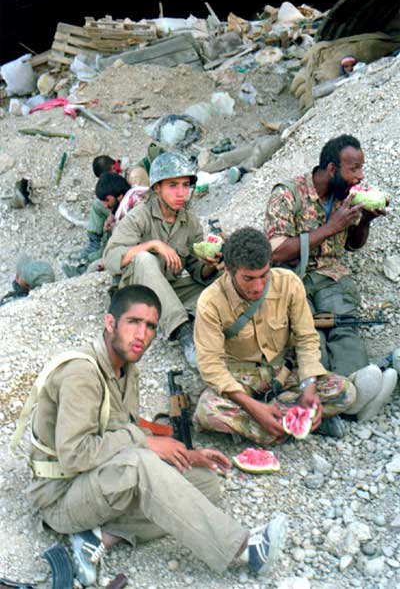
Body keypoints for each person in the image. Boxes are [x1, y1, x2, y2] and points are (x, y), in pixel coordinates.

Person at [24, 285, 288, 586]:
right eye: (133, 322)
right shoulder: (81, 374)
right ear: (110, 323)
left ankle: (100, 536)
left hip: (95, 481)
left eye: (150, 326)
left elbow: (120, 427)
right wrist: (145, 442)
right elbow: (74, 456)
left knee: (205, 483)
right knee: (140, 463)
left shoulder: (127, 369)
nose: (142, 334)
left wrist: (186, 455)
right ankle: (244, 549)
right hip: (60, 496)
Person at [192, 227, 385, 443]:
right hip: (240, 378)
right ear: (228, 270)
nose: (258, 286)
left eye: (264, 275)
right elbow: (210, 365)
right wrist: (253, 407)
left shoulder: (289, 283)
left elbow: (306, 338)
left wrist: (309, 387)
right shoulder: (210, 302)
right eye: (248, 278)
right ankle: (288, 423)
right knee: (207, 411)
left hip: (283, 372)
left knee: (345, 391)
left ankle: (268, 426)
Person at [264, 134, 386, 377]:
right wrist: (330, 227)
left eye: (361, 168)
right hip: (292, 278)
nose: (360, 176)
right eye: (354, 169)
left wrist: (365, 222)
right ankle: (324, 388)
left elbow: (352, 245)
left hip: (330, 276)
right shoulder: (288, 194)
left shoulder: (345, 195)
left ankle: (357, 384)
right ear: (332, 169)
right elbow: (276, 251)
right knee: (309, 334)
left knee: (345, 327)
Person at [103, 152, 222, 368]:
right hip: (136, 292)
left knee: (223, 279)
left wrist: (211, 265)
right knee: (144, 259)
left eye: (185, 185)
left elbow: (195, 269)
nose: (181, 193)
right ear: (157, 188)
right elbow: (111, 257)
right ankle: (183, 331)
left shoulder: (190, 223)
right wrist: (153, 245)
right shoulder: (140, 216)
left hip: (169, 288)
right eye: (173, 186)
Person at [62, 173, 131, 277]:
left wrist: (114, 229)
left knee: (94, 265)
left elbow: (124, 243)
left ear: (120, 196)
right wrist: (112, 215)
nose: (105, 205)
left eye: (107, 200)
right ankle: (94, 244)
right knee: (97, 205)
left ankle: (83, 269)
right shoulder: (122, 201)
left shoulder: (131, 213)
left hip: (126, 248)